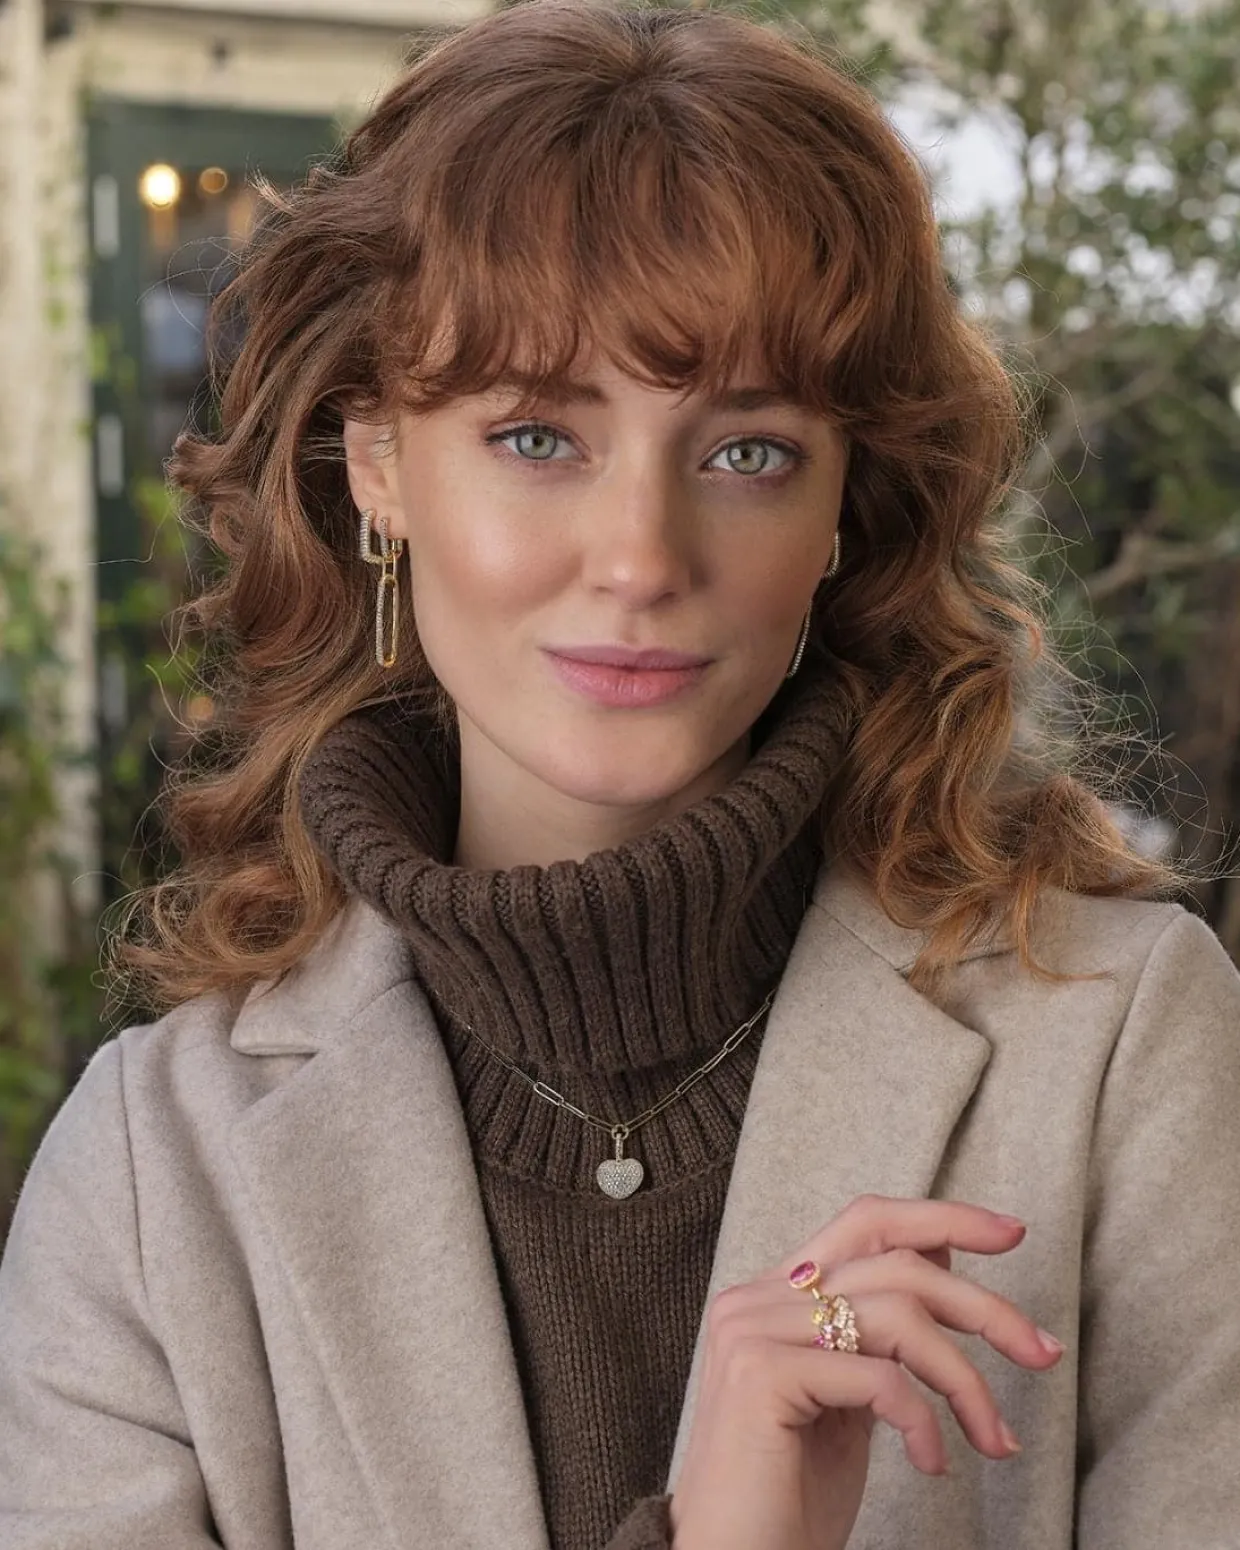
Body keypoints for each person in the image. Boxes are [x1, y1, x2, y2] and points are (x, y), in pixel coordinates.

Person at [2, 2, 1238, 1547]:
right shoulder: (147, 1182)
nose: (643, 557)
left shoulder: (1123, 1057)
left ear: (844, 504)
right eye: (538, 436)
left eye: (746, 451)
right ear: (377, 462)